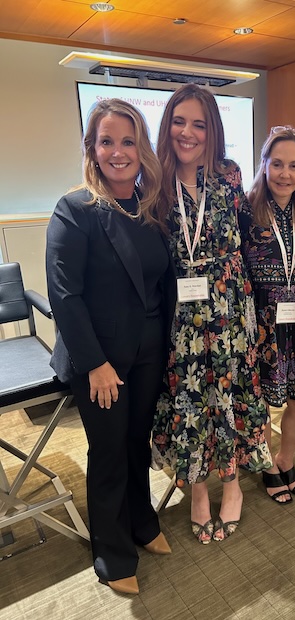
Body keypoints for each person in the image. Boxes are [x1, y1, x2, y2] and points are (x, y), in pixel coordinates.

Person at [46, 99, 176, 595]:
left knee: (135, 445)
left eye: (128, 141)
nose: (118, 152)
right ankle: (111, 548)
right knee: (107, 452)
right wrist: (95, 363)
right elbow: (64, 294)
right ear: (92, 149)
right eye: (107, 141)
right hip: (99, 356)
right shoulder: (75, 208)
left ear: (141, 148)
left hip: (147, 350)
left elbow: (159, 284)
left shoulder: (148, 207)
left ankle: (142, 523)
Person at [151, 84, 272, 544]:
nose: (188, 132)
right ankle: (198, 492)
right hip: (183, 317)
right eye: (179, 122)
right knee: (193, 401)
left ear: (212, 130)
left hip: (230, 308)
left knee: (231, 396)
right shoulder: (155, 180)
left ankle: (232, 484)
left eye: (199, 124)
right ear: (167, 127)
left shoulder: (230, 174)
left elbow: (247, 234)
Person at [239, 126, 295, 504]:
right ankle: (268, 467)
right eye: (277, 164)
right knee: (262, 403)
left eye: (293, 165)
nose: (284, 173)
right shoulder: (245, 209)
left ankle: (286, 459)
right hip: (260, 321)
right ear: (264, 164)